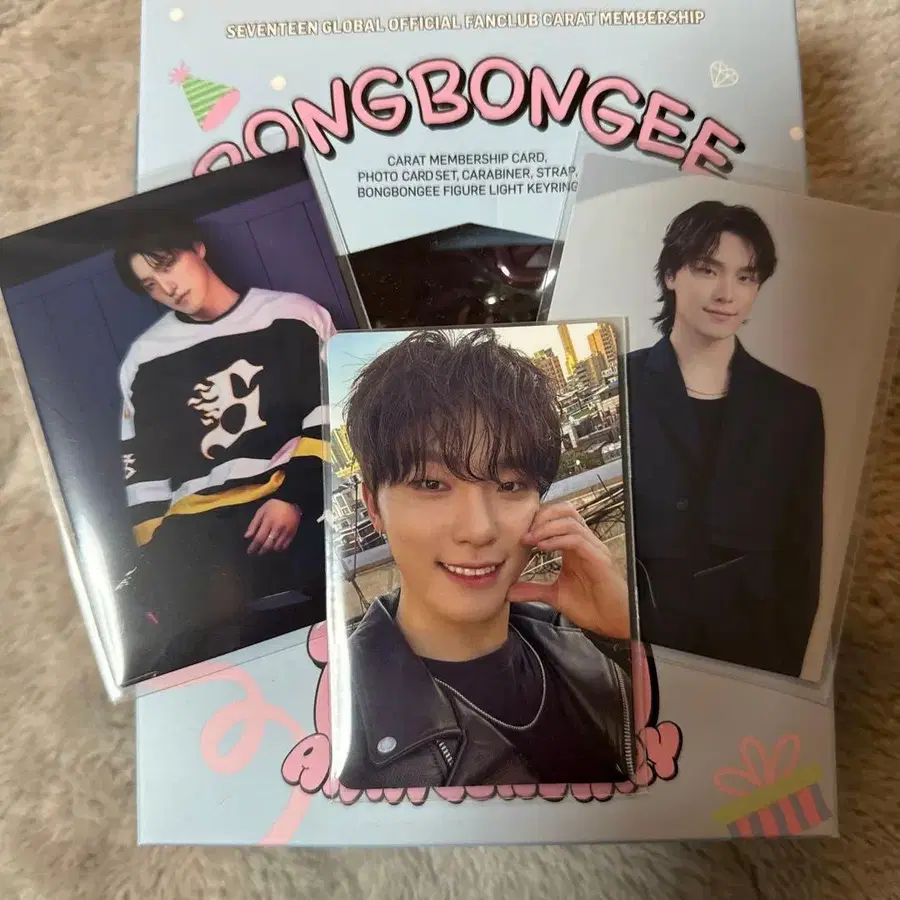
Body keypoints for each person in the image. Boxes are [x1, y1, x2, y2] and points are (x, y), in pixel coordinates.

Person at [337, 328, 634, 789]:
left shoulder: (586, 643)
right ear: (373, 507)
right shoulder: (332, 723)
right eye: (431, 484)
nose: (479, 530)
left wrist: (628, 637)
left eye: (510, 486)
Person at [112, 218, 335, 679]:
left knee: (329, 614)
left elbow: (332, 409)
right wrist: (154, 551)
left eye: (168, 265)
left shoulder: (293, 315)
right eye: (150, 284)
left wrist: (294, 497)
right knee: (193, 643)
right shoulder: (145, 357)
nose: (167, 288)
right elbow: (142, 466)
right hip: (199, 521)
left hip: (288, 498)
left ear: (198, 248)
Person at [626, 200, 825, 678]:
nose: (726, 293)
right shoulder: (622, 383)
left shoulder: (794, 406)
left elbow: (801, 562)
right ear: (671, 274)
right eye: (707, 269)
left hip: (752, 654)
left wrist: (776, 680)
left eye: (745, 276)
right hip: (639, 654)